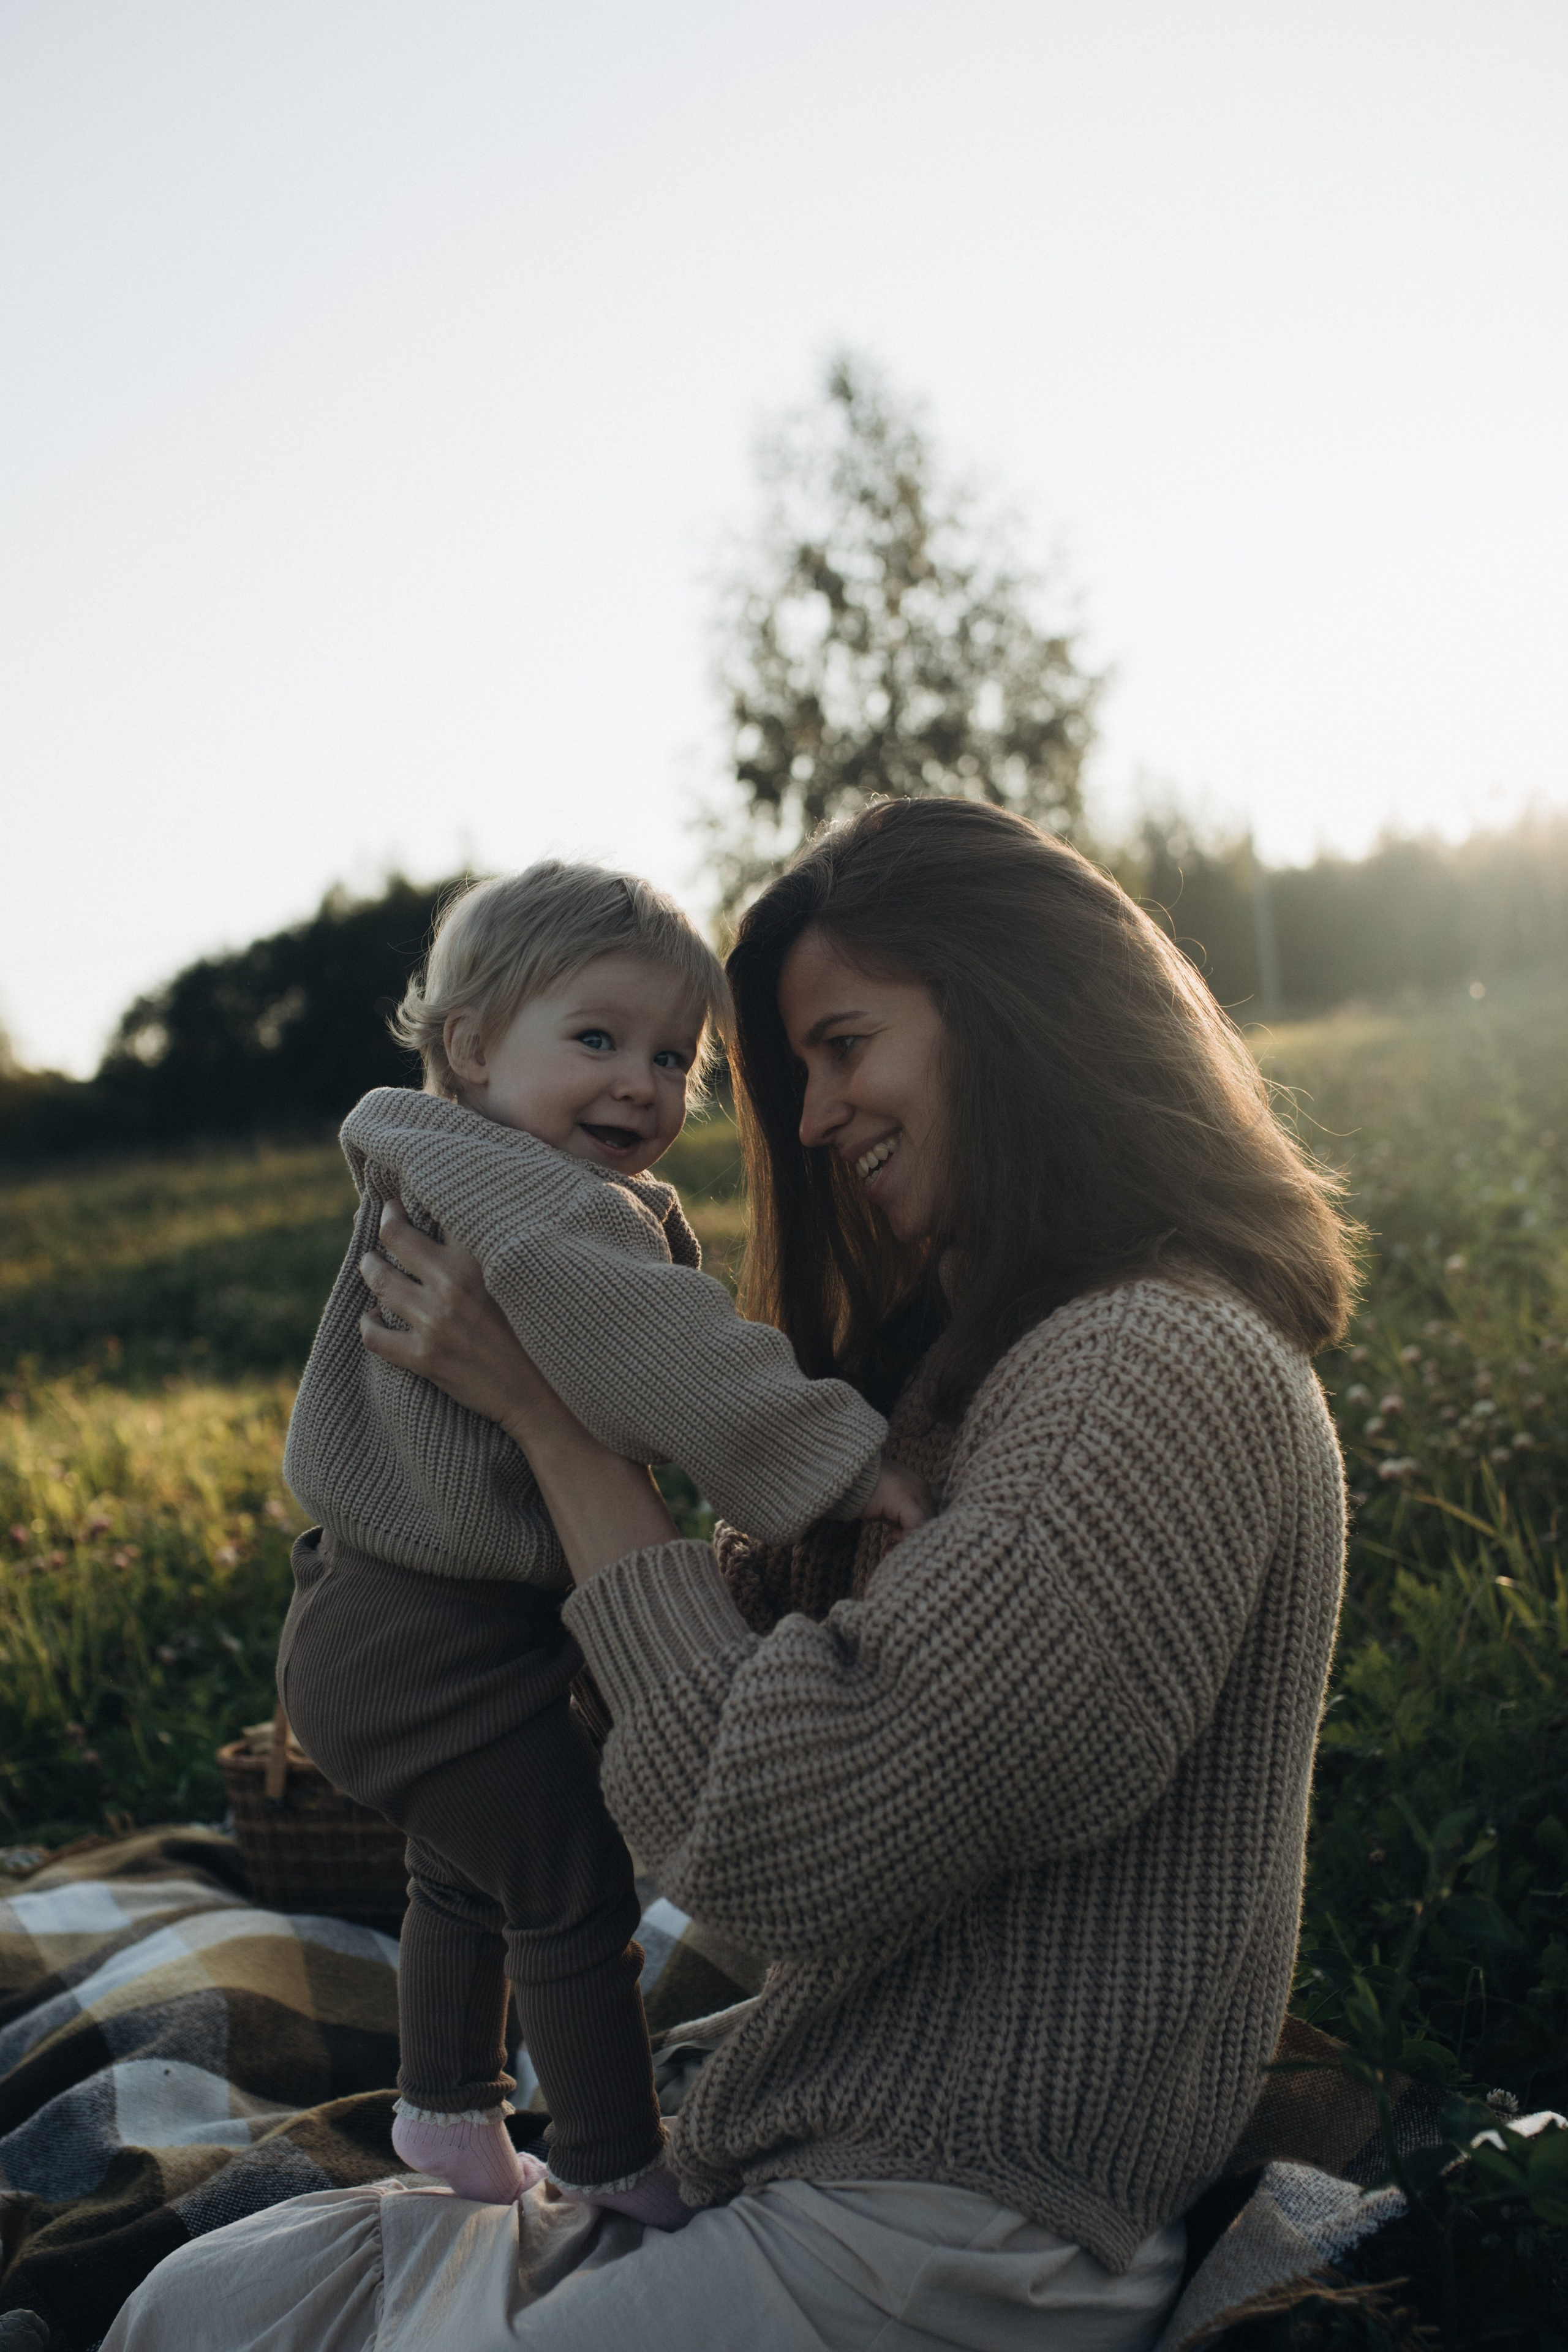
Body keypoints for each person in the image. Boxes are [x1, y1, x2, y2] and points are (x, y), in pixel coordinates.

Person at [105, 797, 1353, 2351]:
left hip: (953, 2232)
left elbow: (783, 1855)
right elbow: (772, 1643)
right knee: (198, 2306)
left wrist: (559, 1436)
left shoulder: (1155, 1369)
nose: (813, 1121)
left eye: (842, 1046)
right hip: (808, 2152)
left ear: (1012, 1019)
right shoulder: (1012, 1356)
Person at [277, 860, 928, 2226]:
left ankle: (447, 2111)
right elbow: (672, 1354)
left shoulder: (462, 1171)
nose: (640, 1082)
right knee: (570, 1884)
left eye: (672, 1058)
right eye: (595, 1040)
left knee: (467, 1863)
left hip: (374, 1622)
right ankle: (611, 2153)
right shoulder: (529, 1200)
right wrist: (841, 1457)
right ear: (468, 1046)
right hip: (428, 1630)